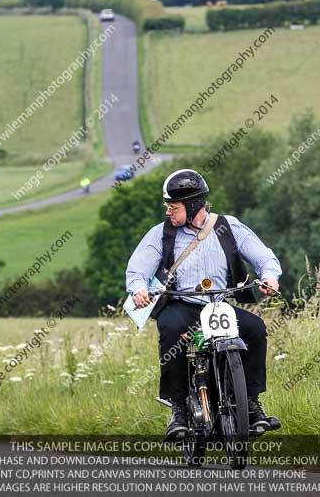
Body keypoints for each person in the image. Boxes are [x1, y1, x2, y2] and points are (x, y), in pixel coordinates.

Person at [125, 169, 282, 440]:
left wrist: (270, 277)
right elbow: (137, 269)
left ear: (193, 204)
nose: (168, 211)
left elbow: (264, 257)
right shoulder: (161, 234)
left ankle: (251, 403)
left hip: (218, 305)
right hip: (181, 305)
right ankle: (178, 410)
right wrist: (138, 288)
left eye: (173, 206)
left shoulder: (228, 227)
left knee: (255, 329)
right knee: (171, 330)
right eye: (168, 206)